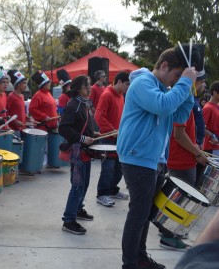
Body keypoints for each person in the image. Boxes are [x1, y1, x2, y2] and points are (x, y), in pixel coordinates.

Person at [117, 45, 198, 269]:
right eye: (175, 75)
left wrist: (188, 90)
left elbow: (178, 114)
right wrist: (184, 83)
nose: (175, 81)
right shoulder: (143, 83)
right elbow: (163, 107)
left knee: (144, 214)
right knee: (138, 214)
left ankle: (139, 258)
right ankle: (131, 263)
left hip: (152, 159)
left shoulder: (162, 89)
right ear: (164, 66)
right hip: (137, 158)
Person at [161, 74, 209, 251]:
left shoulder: (183, 99)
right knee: (180, 201)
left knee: (177, 200)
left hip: (181, 157)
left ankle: (168, 231)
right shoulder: (184, 101)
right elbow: (178, 135)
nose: (203, 84)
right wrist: (197, 154)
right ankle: (170, 236)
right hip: (182, 159)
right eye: (201, 80)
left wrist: (195, 145)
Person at [59, 75, 95, 235]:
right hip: (77, 151)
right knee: (78, 185)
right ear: (78, 88)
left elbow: (81, 125)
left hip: (84, 150)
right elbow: (64, 128)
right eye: (87, 85)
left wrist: (93, 134)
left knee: (85, 183)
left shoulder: (83, 104)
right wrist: (82, 138)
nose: (90, 88)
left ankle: (78, 208)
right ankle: (68, 220)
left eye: (90, 85)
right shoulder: (74, 104)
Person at [94, 71, 130, 207]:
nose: (128, 87)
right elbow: (99, 117)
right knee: (108, 168)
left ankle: (113, 190)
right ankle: (102, 194)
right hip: (108, 139)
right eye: (127, 84)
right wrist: (112, 131)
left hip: (118, 138)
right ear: (119, 81)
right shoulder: (107, 95)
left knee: (119, 168)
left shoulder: (121, 96)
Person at [6, 69, 28, 136]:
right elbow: (6, 113)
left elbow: (19, 111)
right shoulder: (11, 96)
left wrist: (25, 116)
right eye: (24, 83)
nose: (26, 85)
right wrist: (15, 121)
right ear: (18, 84)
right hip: (14, 130)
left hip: (22, 128)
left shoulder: (22, 96)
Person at [202, 81, 219, 155]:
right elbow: (201, 127)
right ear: (215, 92)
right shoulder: (208, 108)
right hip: (211, 147)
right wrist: (212, 136)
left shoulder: (217, 106)